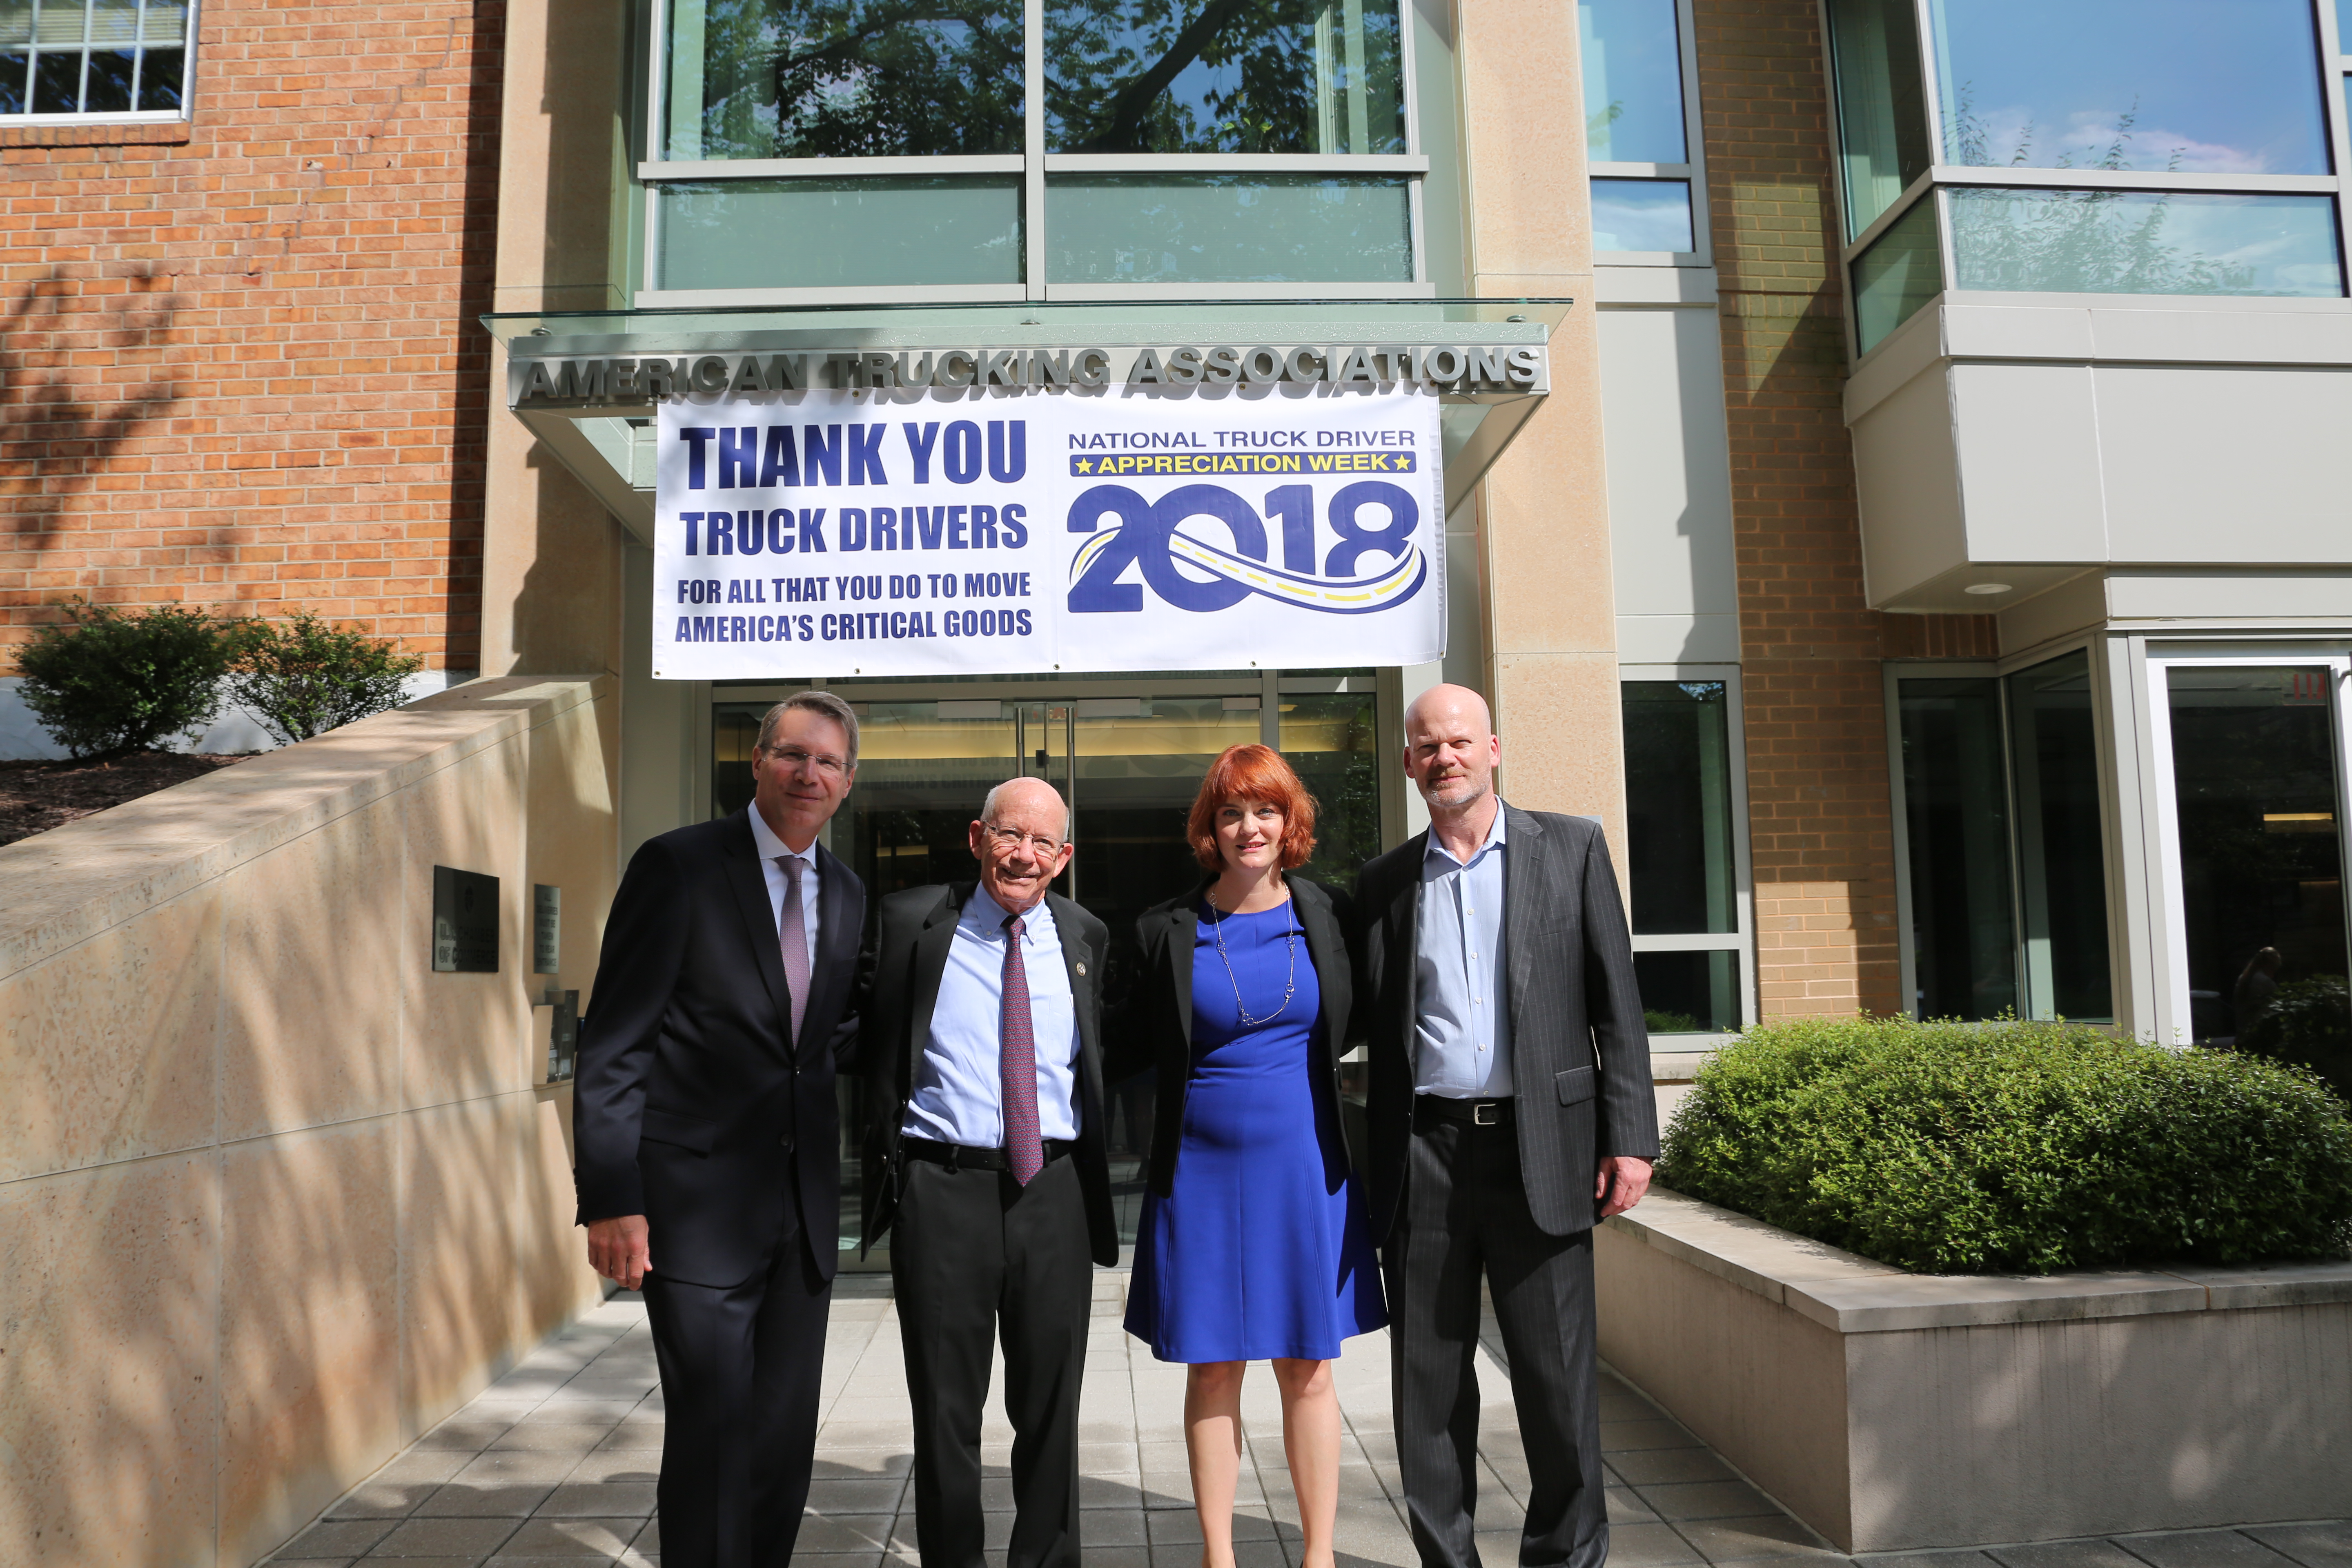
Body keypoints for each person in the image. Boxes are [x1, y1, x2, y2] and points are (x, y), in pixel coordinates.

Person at [1352, 684, 1659, 1568]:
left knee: (1558, 1384)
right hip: (1427, 1156)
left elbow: (1618, 1006)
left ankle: (1565, 1558)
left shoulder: (1570, 848)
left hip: (1547, 1151)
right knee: (1430, 1390)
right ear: (1409, 764)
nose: (1443, 756)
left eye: (1458, 741)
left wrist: (1631, 1135)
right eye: (1426, 746)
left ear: (1493, 749)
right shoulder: (1383, 884)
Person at [572, 691, 867, 1568]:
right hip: (693, 1210)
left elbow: (817, 1040)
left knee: (781, 1441)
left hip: (803, 1215)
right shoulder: (680, 867)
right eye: (793, 755)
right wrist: (612, 1199)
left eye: (828, 763)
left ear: (849, 784)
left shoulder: (846, 894)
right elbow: (615, 1044)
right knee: (711, 1430)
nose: (808, 774)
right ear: (758, 761)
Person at [1120, 744, 1386, 1568]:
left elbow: (1373, 1014)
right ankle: (1217, 1556)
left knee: (1307, 1366)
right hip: (1198, 1171)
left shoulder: (1329, 915)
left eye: (1265, 810)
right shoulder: (1163, 929)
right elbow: (1121, 1045)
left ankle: (1319, 1556)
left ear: (1290, 821)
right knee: (1213, 1367)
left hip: (1305, 1170)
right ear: (1211, 827)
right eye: (1231, 812)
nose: (1249, 827)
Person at [856, 776, 1120, 1568]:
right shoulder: (910, 923)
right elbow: (863, 1041)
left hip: (1054, 1191)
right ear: (977, 838)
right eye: (1010, 835)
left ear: (1065, 857)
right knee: (945, 1410)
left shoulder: (1086, 936)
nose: (1025, 855)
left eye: (1044, 843)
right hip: (943, 1191)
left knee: (1051, 1407)